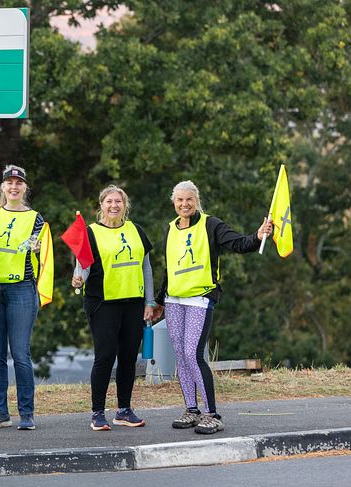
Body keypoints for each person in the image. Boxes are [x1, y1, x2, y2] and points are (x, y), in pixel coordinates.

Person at [153, 180, 272, 435]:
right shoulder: (169, 229)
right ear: (174, 203)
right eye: (180, 200)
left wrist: (258, 236)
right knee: (180, 355)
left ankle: (212, 415)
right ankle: (191, 410)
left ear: (196, 201)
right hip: (174, 300)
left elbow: (238, 244)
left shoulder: (211, 225)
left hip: (200, 298)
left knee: (193, 353)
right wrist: (160, 301)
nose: (184, 204)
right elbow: (169, 269)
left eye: (189, 200)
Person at [71, 185, 155, 431]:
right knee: (105, 357)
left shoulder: (136, 230)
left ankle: (124, 410)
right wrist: (78, 279)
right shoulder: (91, 232)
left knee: (129, 358)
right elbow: (83, 266)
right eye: (109, 201)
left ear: (125, 205)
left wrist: (149, 302)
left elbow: (146, 268)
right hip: (102, 304)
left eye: (118, 201)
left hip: (133, 303)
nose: (114, 205)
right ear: (101, 205)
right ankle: (98, 412)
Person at [0, 165, 44, 431]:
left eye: (19, 183)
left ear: (25, 188)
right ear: (2, 187)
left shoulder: (36, 219)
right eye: (9, 183)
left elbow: (41, 254)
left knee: (20, 353)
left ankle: (26, 413)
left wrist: (37, 250)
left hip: (21, 289)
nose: (14, 187)